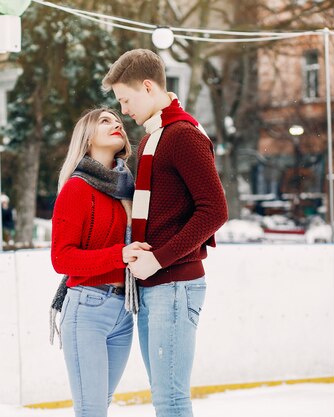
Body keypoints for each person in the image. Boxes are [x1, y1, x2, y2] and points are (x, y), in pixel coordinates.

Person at [102, 49, 229, 417]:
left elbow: (215, 210)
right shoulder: (154, 138)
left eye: (125, 100)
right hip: (157, 285)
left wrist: (157, 259)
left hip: (173, 283)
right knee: (164, 396)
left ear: (147, 86)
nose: (123, 110)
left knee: (171, 399)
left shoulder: (182, 135)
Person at [50, 108, 149, 417]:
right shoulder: (77, 188)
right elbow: (61, 258)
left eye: (117, 120)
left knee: (99, 406)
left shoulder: (128, 190)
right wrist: (119, 254)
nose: (116, 123)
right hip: (87, 309)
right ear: (87, 137)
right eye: (104, 121)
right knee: (91, 410)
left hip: (123, 310)